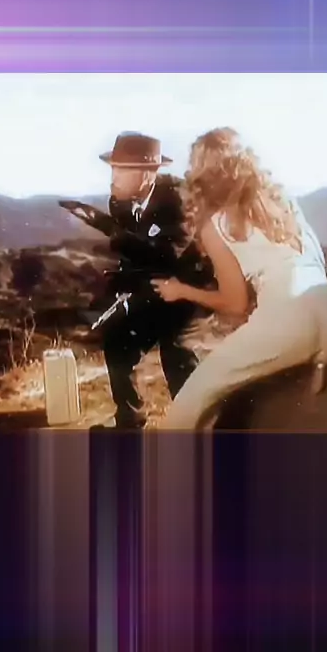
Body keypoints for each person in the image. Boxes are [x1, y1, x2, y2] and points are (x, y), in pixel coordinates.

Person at [151, 127, 327, 430]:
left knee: (187, 408)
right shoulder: (285, 203)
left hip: (289, 321)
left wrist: (181, 291)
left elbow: (235, 304)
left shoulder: (216, 224)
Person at [94, 131, 214, 430]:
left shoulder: (181, 200)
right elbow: (135, 255)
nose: (113, 179)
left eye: (120, 171)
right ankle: (129, 422)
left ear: (146, 174)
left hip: (189, 293)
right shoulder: (120, 201)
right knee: (118, 340)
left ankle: (199, 428)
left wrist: (111, 231)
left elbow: (167, 254)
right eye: (113, 169)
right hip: (156, 290)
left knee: (177, 354)